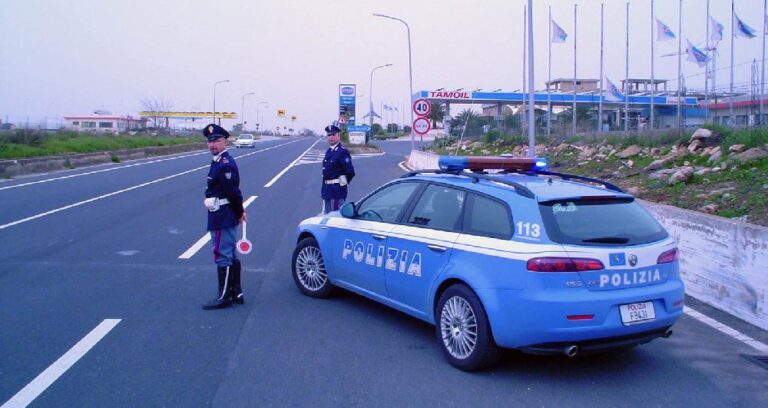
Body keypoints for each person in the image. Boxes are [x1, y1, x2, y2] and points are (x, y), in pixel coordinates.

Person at [201, 124, 247, 310]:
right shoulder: (218, 161)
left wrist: (239, 212)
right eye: (210, 141)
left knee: (223, 255)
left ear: (225, 142)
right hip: (221, 214)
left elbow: (233, 192)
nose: (213, 144)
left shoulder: (225, 164)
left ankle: (224, 296)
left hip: (223, 215)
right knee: (229, 253)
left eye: (217, 140)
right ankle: (236, 292)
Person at [321, 123, 355, 213]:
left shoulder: (342, 152)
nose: (331, 137)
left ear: (338, 136)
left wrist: (342, 182)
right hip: (327, 191)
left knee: (335, 218)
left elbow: (350, 172)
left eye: (333, 134)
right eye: (329, 135)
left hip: (336, 192)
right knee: (328, 218)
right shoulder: (329, 151)